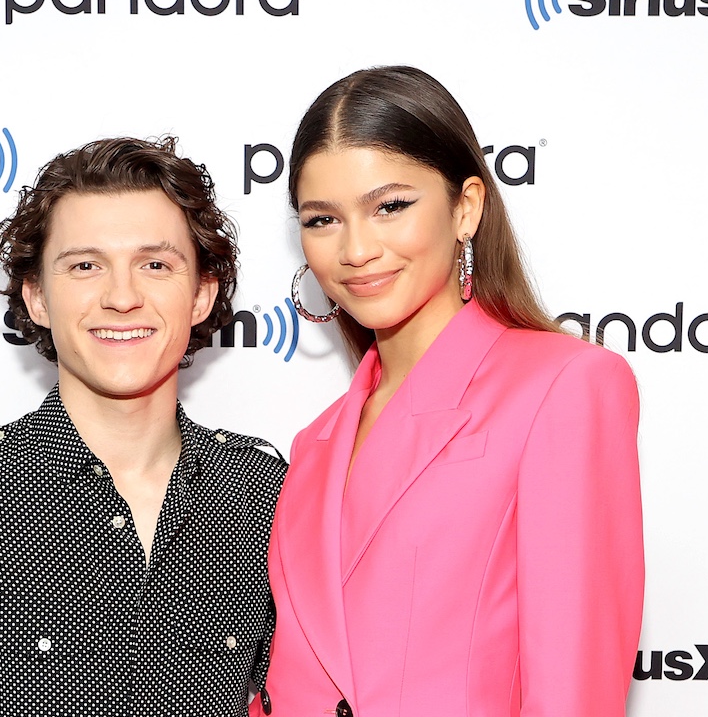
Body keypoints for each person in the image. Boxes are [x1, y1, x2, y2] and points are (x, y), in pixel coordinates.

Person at [0, 136, 286, 717]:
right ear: (36, 298)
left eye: (155, 265)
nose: (121, 297)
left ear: (201, 296)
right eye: (86, 266)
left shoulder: (264, 495)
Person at [257, 67, 644, 717]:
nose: (356, 249)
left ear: (465, 207)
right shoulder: (315, 444)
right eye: (323, 219)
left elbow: (574, 692)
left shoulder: (563, 388)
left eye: (390, 207)